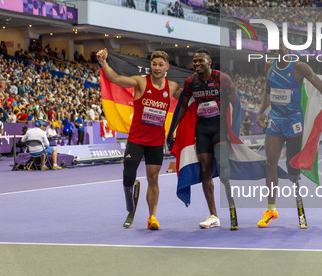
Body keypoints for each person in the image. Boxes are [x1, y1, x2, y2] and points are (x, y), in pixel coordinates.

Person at [256, 43, 322, 228]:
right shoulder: (268, 66)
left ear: (286, 47)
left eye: (278, 43)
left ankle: (299, 206)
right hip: (275, 120)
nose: (274, 46)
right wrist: (260, 112)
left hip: (294, 122)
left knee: (293, 170)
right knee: (270, 163)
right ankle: (271, 210)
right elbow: (268, 91)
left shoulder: (299, 67)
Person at [97, 48, 180, 230]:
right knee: (128, 175)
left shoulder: (172, 86)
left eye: (160, 65)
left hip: (156, 141)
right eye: (153, 64)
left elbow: (186, 101)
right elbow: (116, 79)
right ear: (150, 65)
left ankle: (152, 217)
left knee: (153, 178)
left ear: (167, 66)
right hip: (136, 139)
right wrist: (103, 63)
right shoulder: (141, 82)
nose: (156, 68)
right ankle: (130, 205)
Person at [171, 48, 237, 229]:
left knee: (223, 165)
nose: (197, 64)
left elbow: (235, 102)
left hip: (220, 127)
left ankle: (232, 207)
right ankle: (213, 215)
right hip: (202, 130)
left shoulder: (221, 79)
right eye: (195, 61)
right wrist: (174, 129)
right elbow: (183, 107)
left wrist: (236, 130)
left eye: (201, 61)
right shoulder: (190, 82)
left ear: (209, 62)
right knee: (205, 170)